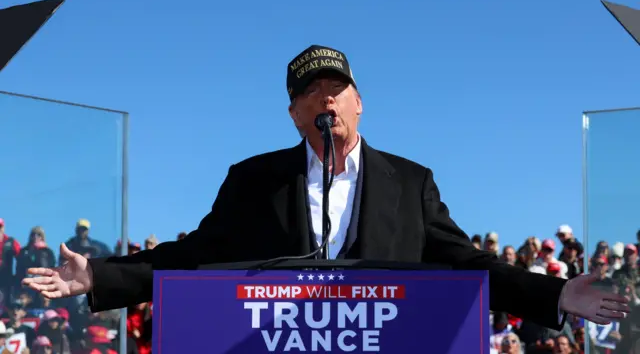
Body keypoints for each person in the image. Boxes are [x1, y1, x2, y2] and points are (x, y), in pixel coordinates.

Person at [23, 44, 629, 330]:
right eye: (312, 91)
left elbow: (464, 262)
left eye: (338, 88)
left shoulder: (410, 183)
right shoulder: (254, 180)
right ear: (293, 113)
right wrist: (98, 276)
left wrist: (552, 296)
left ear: (361, 103)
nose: (327, 98)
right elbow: (194, 257)